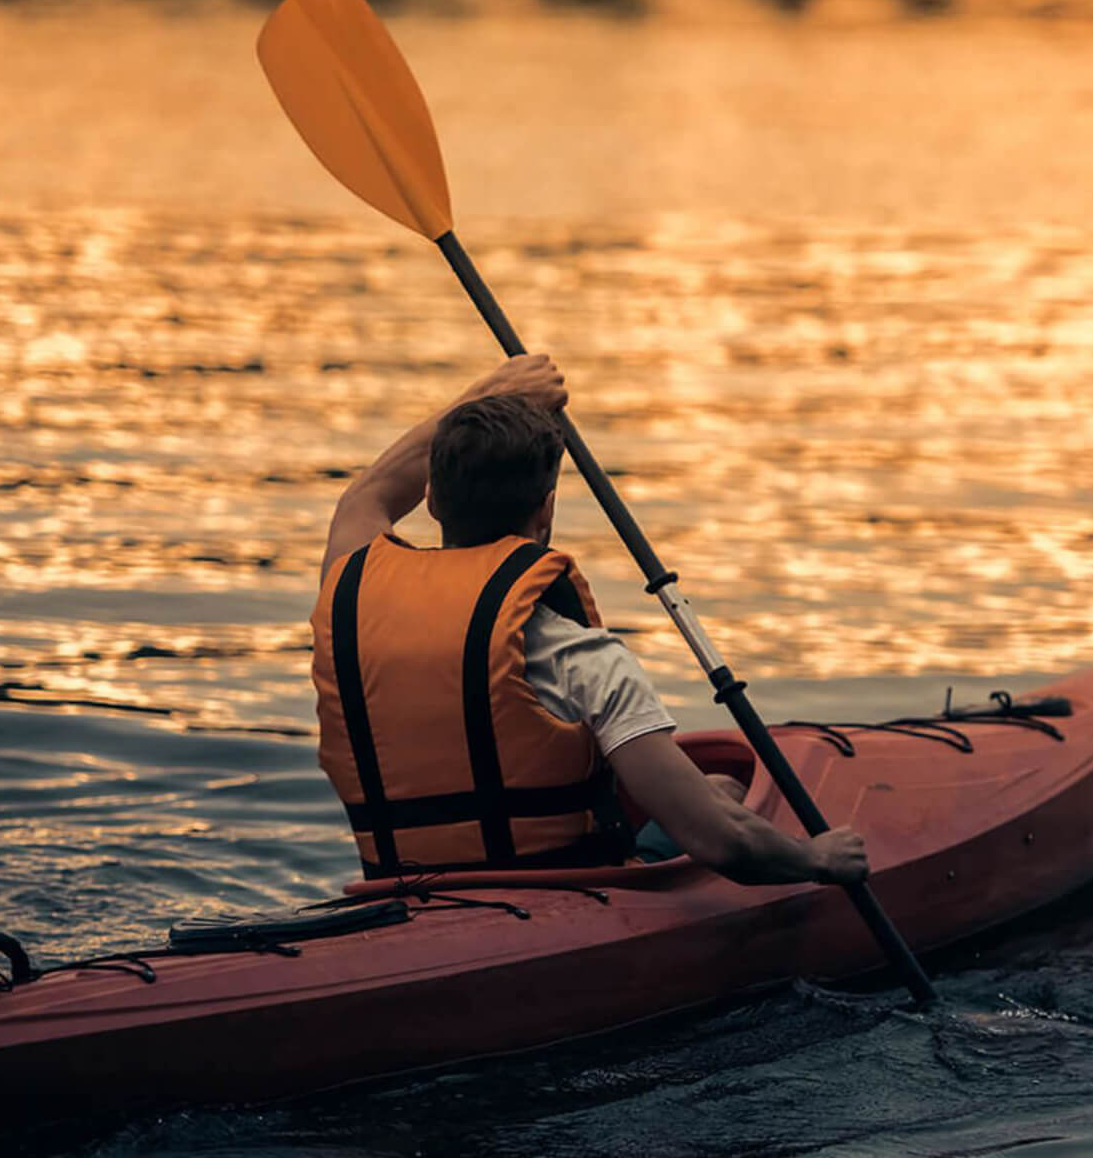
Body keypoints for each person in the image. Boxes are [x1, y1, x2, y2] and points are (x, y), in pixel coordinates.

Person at [311, 353, 868, 887]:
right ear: (547, 508)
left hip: (394, 892)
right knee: (722, 795)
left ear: (432, 500)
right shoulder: (580, 657)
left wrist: (492, 392)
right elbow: (721, 843)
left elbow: (369, 493)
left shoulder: (351, 589)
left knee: (717, 783)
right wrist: (818, 859)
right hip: (560, 899)